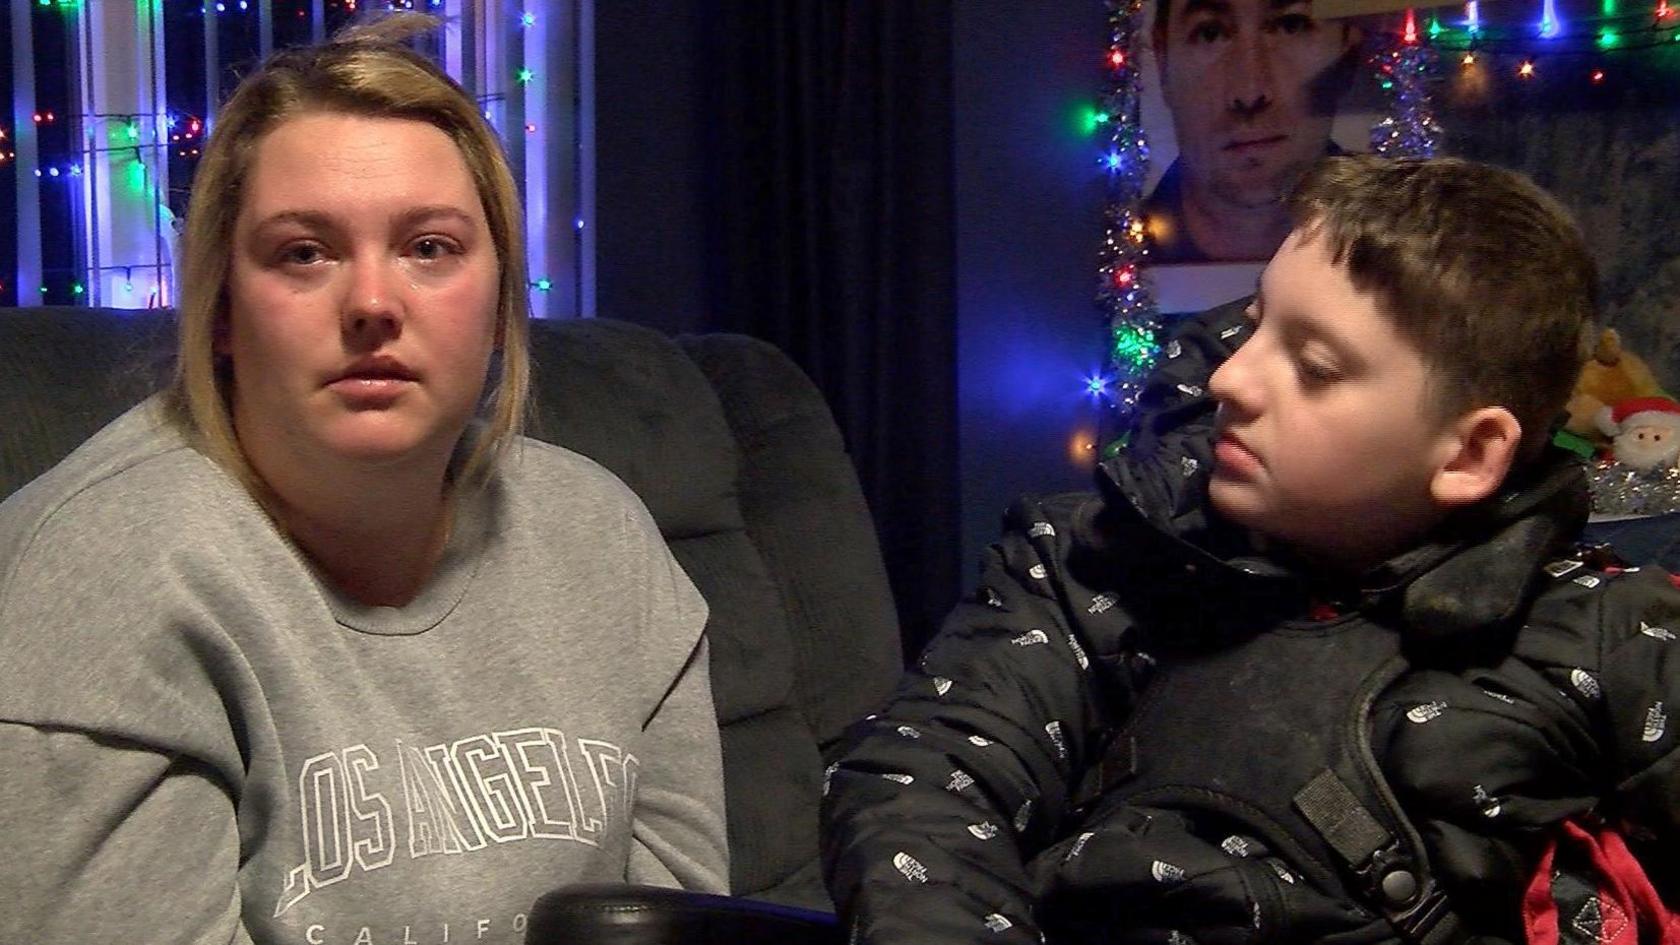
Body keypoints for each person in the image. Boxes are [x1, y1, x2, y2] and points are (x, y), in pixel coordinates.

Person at [822, 155, 1679, 944]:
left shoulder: (1610, 633)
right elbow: (920, 782)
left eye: (1312, 365)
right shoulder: (1087, 564)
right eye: (1256, 321)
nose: (1231, 378)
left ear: (1466, 454)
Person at [0, 15, 727, 944]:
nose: (374, 304)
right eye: (305, 252)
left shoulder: (604, 538)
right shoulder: (92, 580)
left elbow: (676, 924)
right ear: (222, 307)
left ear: (501, 299)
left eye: (429, 247)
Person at [1143, 0, 1362, 263]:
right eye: (1209, 33)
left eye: (1290, 25)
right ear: (1162, 61)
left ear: (1348, 49)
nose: (1249, 93)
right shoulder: (1105, 266)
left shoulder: (1405, 257)